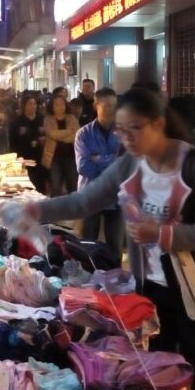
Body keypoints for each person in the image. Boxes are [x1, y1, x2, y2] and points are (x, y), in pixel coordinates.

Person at [17, 88, 195, 390]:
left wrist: (160, 234)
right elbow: (85, 200)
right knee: (157, 378)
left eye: (135, 128)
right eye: (121, 129)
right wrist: (35, 210)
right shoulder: (130, 164)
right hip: (152, 291)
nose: (127, 137)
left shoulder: (194, 165)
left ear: (158, 124)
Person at [75, 87, 124, 262]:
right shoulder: (84, 134)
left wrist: (98, 159)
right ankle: (87, 282)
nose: (111, 109)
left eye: (114, 105)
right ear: (96, 105)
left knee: (115, 248)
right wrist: (113, 161)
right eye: (106, 105)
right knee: (86, 246)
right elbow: (83, 167)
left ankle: (116, 283)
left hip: (116, 197)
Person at [42, 94, 79, 196]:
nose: (60, 106)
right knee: (56, 185)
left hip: (71, 156)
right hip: (54, 157)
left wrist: (61, 136)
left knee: (73, 185)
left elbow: (76, 134)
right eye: (57, 104)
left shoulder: (71, 118)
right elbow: (52, 134)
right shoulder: (48, 119)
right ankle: (55, 209)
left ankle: (73, 208)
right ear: (52, 106)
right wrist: (68, 131)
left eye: (62, 103)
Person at [10, 93, 46, 194]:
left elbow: (49, 135)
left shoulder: (42, 119)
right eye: (29, 104)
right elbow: (12, 140)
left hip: (40, 156)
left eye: (34, 104)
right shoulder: (17, 122)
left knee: (40, 183)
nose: (32, 106)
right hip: (24, 157)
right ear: (24, 106)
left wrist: (44, 139)